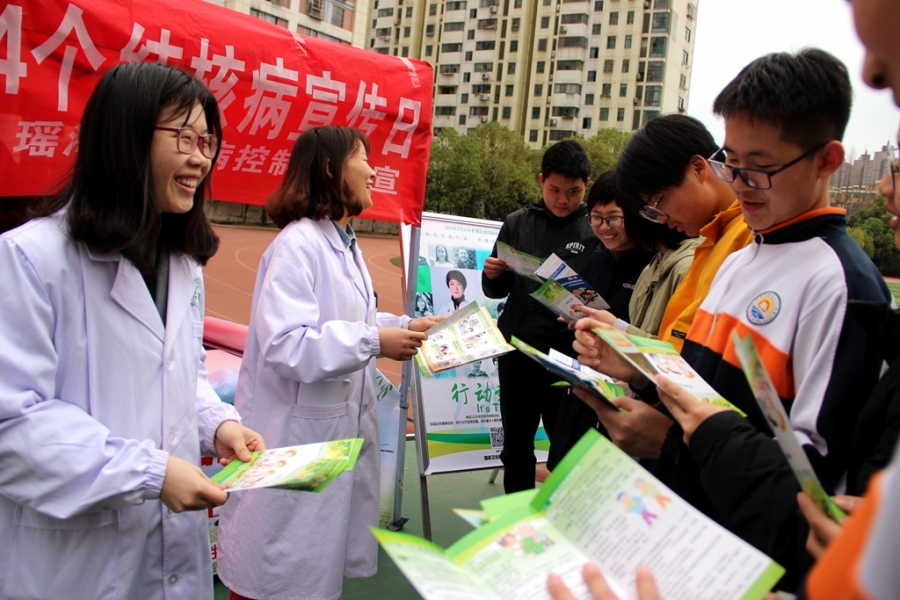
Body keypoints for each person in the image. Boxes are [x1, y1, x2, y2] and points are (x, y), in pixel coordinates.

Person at [573, 49, 890, 588]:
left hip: (749, 566)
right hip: (689, 530)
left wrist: (671, 443)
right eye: (732, 162)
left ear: (827, 160)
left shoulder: (840, 284)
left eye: (760, 168)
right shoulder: (738, 260)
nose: (739, 184)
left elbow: (816, 487)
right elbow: (700, 387)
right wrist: (641, 376)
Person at [0, 62, 264, 600]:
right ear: (125, 138)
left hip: (170, 552)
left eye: (207, 142)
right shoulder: (30, 259)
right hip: (75, 562)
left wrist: (216, 423)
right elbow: (13, 422)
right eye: (184, 138)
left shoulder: (182, 264)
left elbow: (181, 373)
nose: (200, 159)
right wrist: (148, 473)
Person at [216, 126, 440, 600]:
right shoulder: (297, 245)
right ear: (330, 168)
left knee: (309, 566)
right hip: (291, 440)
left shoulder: (343, 242)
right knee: (274, 570)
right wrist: (374, 341)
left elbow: (347, 320)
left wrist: (403, 325)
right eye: (363, 158)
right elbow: (287, 343)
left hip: (326, 441)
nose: (373, 171)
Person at [482, 139, 598, 493]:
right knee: (516, 446)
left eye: (573, 191)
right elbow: (496, 292)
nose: (563, 200)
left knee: (567, 449)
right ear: (541, 180)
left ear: (586, 185)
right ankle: (517, 516)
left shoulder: (595, 229)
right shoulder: (517, 222)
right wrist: (492, 274)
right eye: (554, 190)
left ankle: (562, 517)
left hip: (568, 355)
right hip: (518, 350)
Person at [615, 114, 754, 352]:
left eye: (659, 201)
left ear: (698, 168)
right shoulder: (712, 239)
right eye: (651, 212)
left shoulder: (751, 237)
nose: (662, 219)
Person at [547, 172, 657, 470]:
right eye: (596, 218)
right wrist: (575, 318)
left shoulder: (650, 265)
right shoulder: (597, 256)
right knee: (564, 467)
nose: (604, 228)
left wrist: (612, 326)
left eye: (613, 219)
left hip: (623, 393)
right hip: (582, 382)